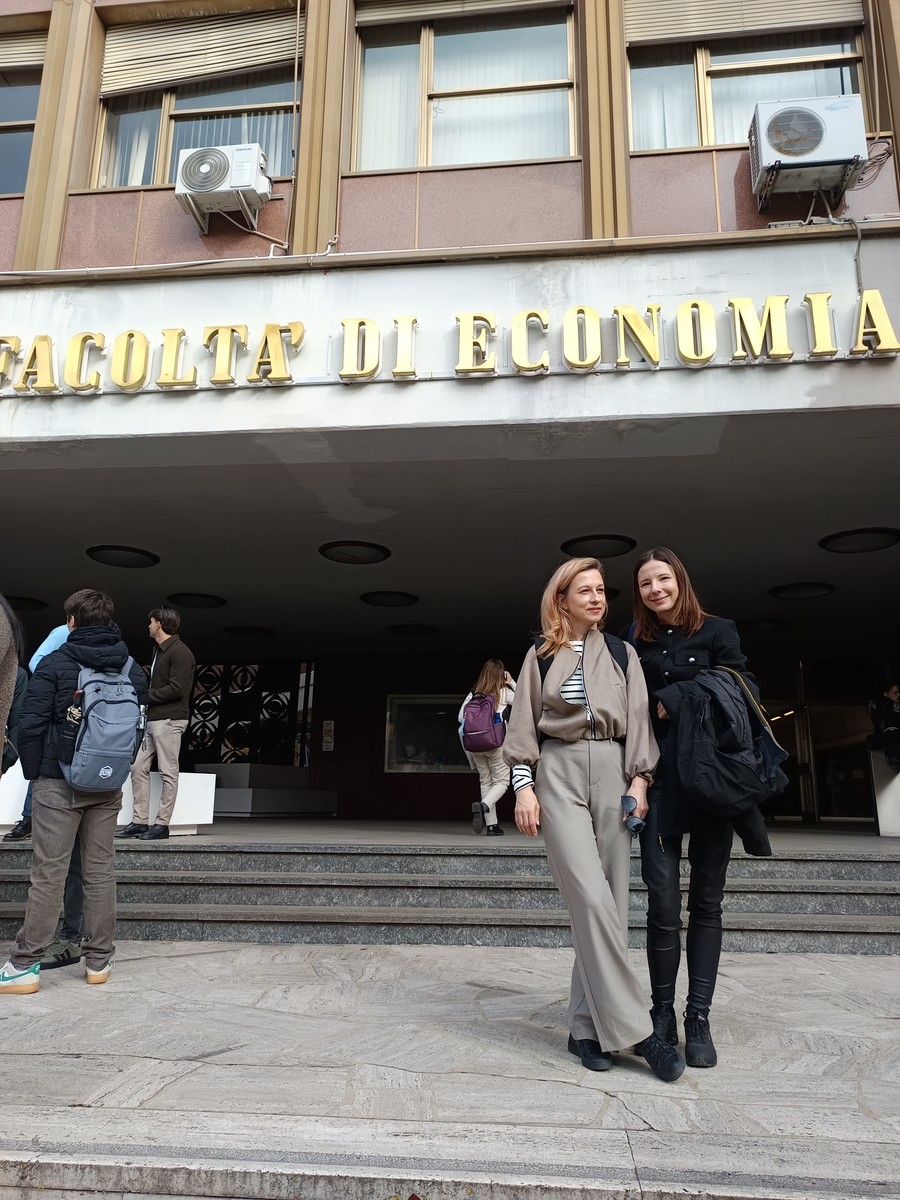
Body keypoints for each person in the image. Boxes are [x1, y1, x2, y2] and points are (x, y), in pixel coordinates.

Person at [503, 557, 685, 1082]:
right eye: (584, 590)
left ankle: (585, 1028)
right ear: (561, 600)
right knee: (588, 898)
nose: (596, 598)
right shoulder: (541, 655)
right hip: (557, 772)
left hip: (613, 770)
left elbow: (639, 722)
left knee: (611, 906)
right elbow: (522, 729)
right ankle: (641, 1032)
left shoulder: (624, 654)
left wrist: (639, 782)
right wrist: (523, 789)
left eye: (601, 589)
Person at [627, 546, 757, 1071]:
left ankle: (698, 1015)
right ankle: (661, 1012)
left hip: (710, 783)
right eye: (645, 583)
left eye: (663, 579)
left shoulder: (719, 630)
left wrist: (677, 697)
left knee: (706, 901)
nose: (655, 589)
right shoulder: (633, 641)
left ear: (679, 580)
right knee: (661, 904)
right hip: (658, 781)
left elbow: (743, 689)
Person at [0, 588, 148, 994]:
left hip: (58, 782)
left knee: (49, 873)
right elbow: (138, 727)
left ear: (71, 621)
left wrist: (37, 774)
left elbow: (29, 725)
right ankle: (99, 961)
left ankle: (24, 965)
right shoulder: (133, 669)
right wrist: (114, 768)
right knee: (100, 872)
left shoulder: (55, 663)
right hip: (108, 784)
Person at [117, 606, 195, 841]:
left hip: (170, 719)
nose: (148, 626)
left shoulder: (180, 652)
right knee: (137, 766)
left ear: (159, 623)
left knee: (168, 772)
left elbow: (178, 689)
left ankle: (162, 825)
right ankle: (140, 821)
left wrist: (146, 696)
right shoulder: (160, 650)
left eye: (151, 621)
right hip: (155, 718)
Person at [4, 622, 70, 841]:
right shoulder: (62, 632)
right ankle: (29, 818)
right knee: (44, 761)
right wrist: (59, 683)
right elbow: (36, 662)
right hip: (59, 707)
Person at [458, 659, 516, 836]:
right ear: (500, 675)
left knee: (485, 781)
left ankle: (492, 825)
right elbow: (523, 702)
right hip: (496, 743)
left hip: (475, 744)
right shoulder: (503, 692)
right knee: (502, 782)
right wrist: (512, 682)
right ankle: (483, 806)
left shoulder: (473, 694)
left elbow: (460, 718)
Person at [870, 682, 900, 772]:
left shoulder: (877, 706)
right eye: (895, 692)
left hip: (887, 744)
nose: (898, 695)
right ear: (886, 694)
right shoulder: (893, 706)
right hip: (894, 743)